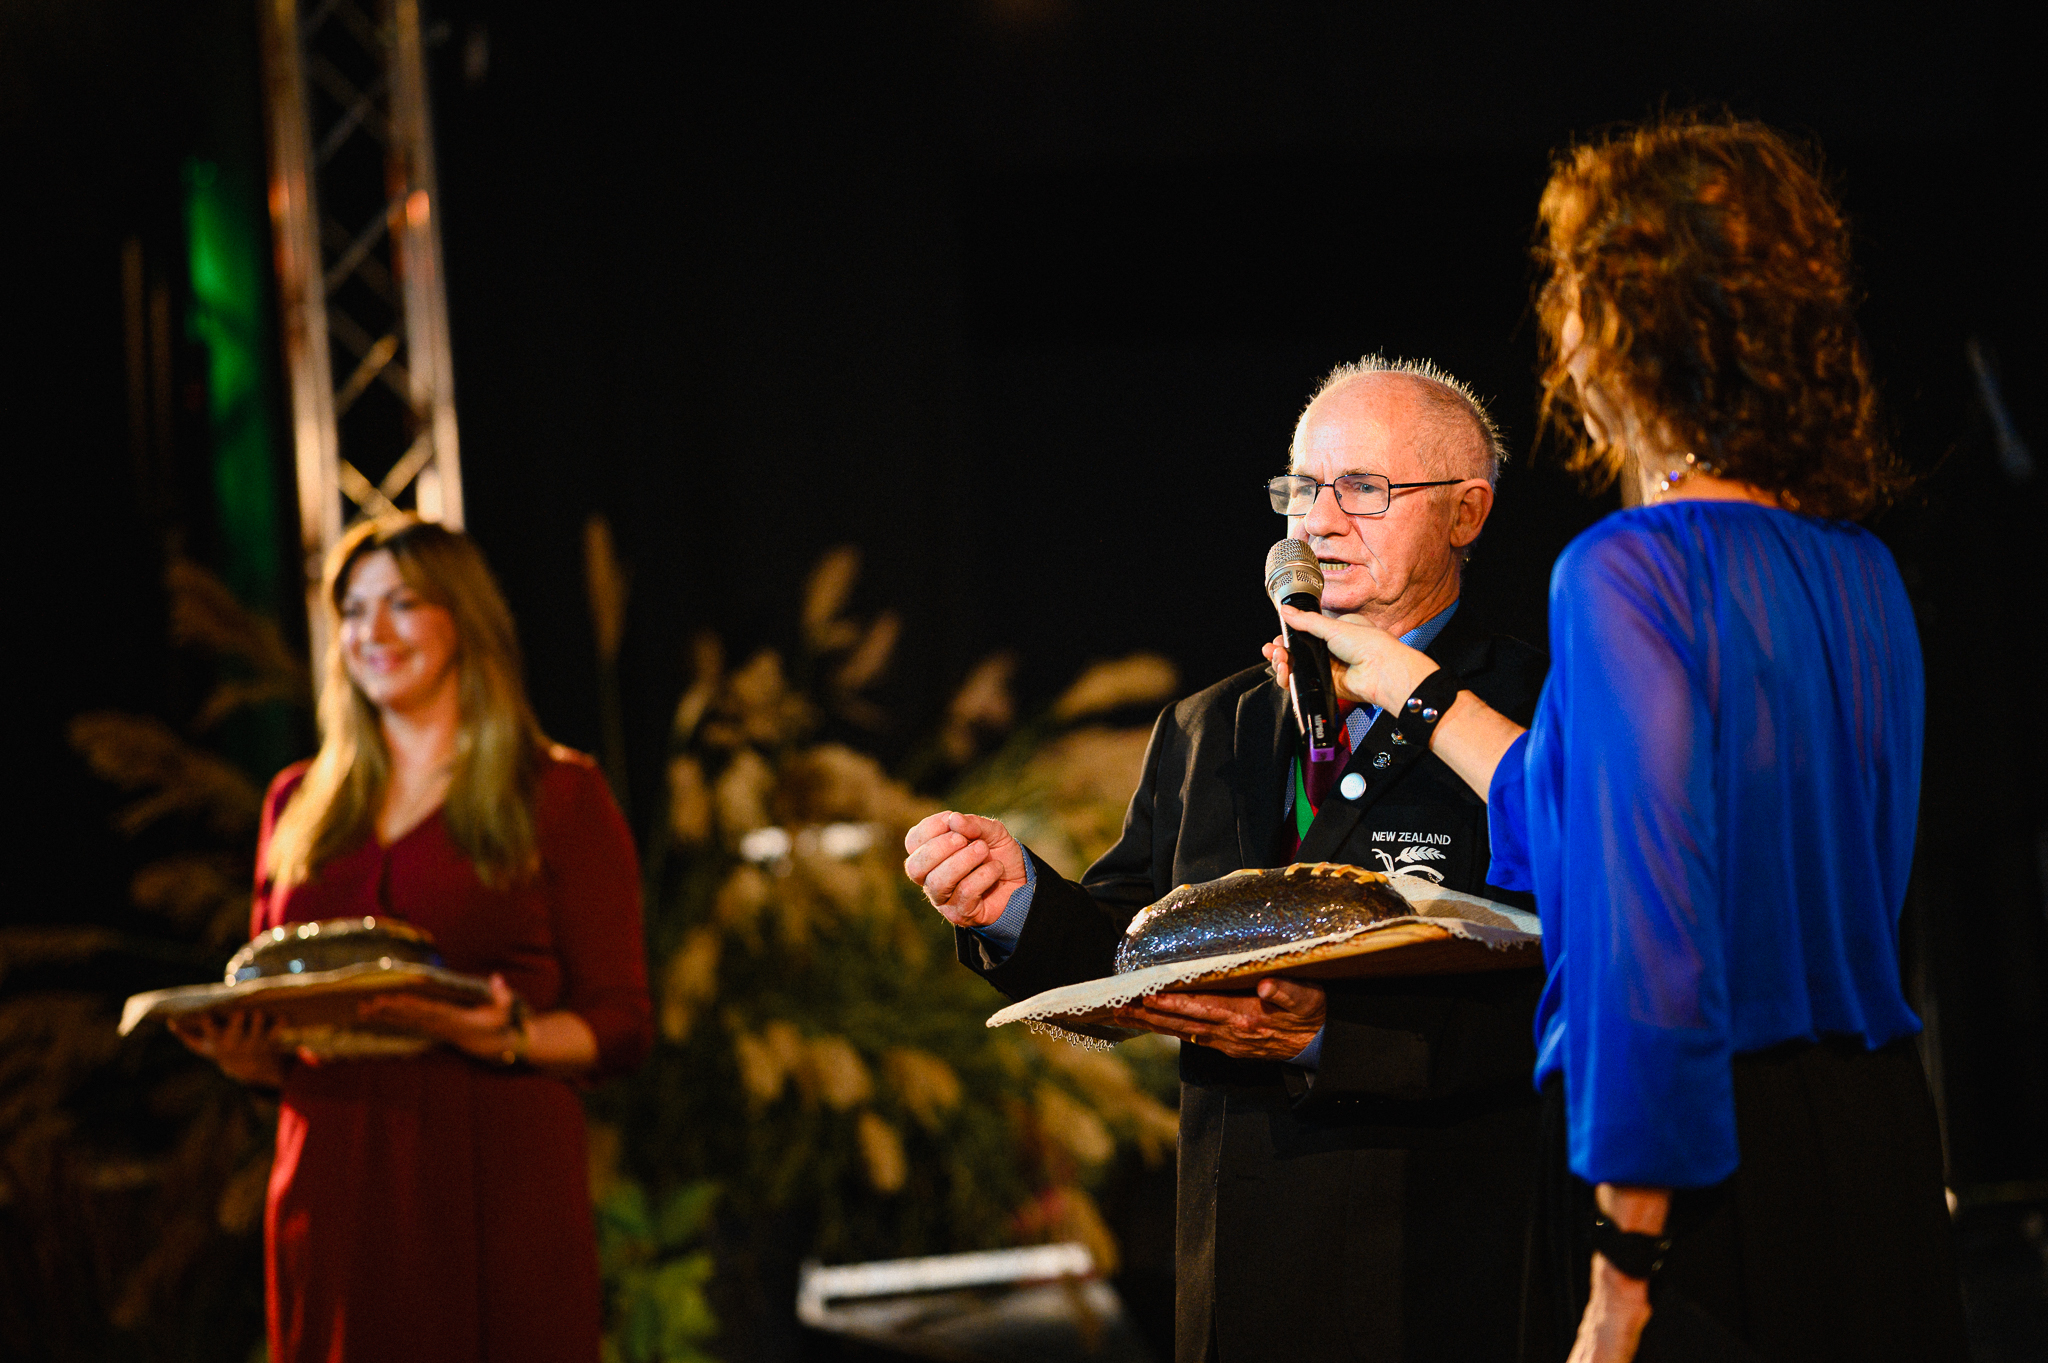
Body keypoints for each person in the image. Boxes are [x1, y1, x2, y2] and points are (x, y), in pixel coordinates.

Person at [1274, 117, 1968, 1362]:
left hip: (1701, 1175)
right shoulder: (1859, 568)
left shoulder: (1626, 570)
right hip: (1877, 1150)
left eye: (1569, 292)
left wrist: (1622, 1274)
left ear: (1619, 326)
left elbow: (1648, 950)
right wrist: (1407, 685)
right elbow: (1572, 809)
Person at [906, 357, 1550, 1362]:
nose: (1318, 522)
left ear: (1466, 512)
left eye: (1363, 489)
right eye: (1302, 488)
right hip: (1242, 1274)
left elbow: (1573, 992)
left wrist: (1328, 1038)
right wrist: (1014, 901)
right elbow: (1131, 948)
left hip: (1449, 1269)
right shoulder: (1212, 724)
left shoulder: (1528, 722)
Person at [171, 515, 653, 1363]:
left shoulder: (558, 794)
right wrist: (251, 1059)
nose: (373, 632)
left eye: (402, 603)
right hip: (331, 1178)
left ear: (465, 618)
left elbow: (622, 1022)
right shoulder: (297, 802)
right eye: (353, 611)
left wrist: (507, 1035)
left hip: (491, 1175)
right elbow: (276, 1000)